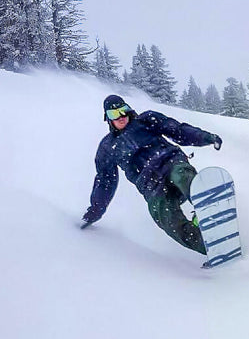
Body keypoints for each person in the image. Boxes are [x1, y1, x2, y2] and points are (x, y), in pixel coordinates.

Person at [81, 94, 222, 255]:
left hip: (171, 163)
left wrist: (207, 138)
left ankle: (207, 207)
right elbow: (105, 181)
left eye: (123, 111)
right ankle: (209, 246)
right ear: (107, 118)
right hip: (152, 186)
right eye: (114, 114)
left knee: (181, 176)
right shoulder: (107, 148)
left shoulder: (147, 120)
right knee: (166, 219)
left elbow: (179, 131)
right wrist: (95, 210)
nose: (121, 117)